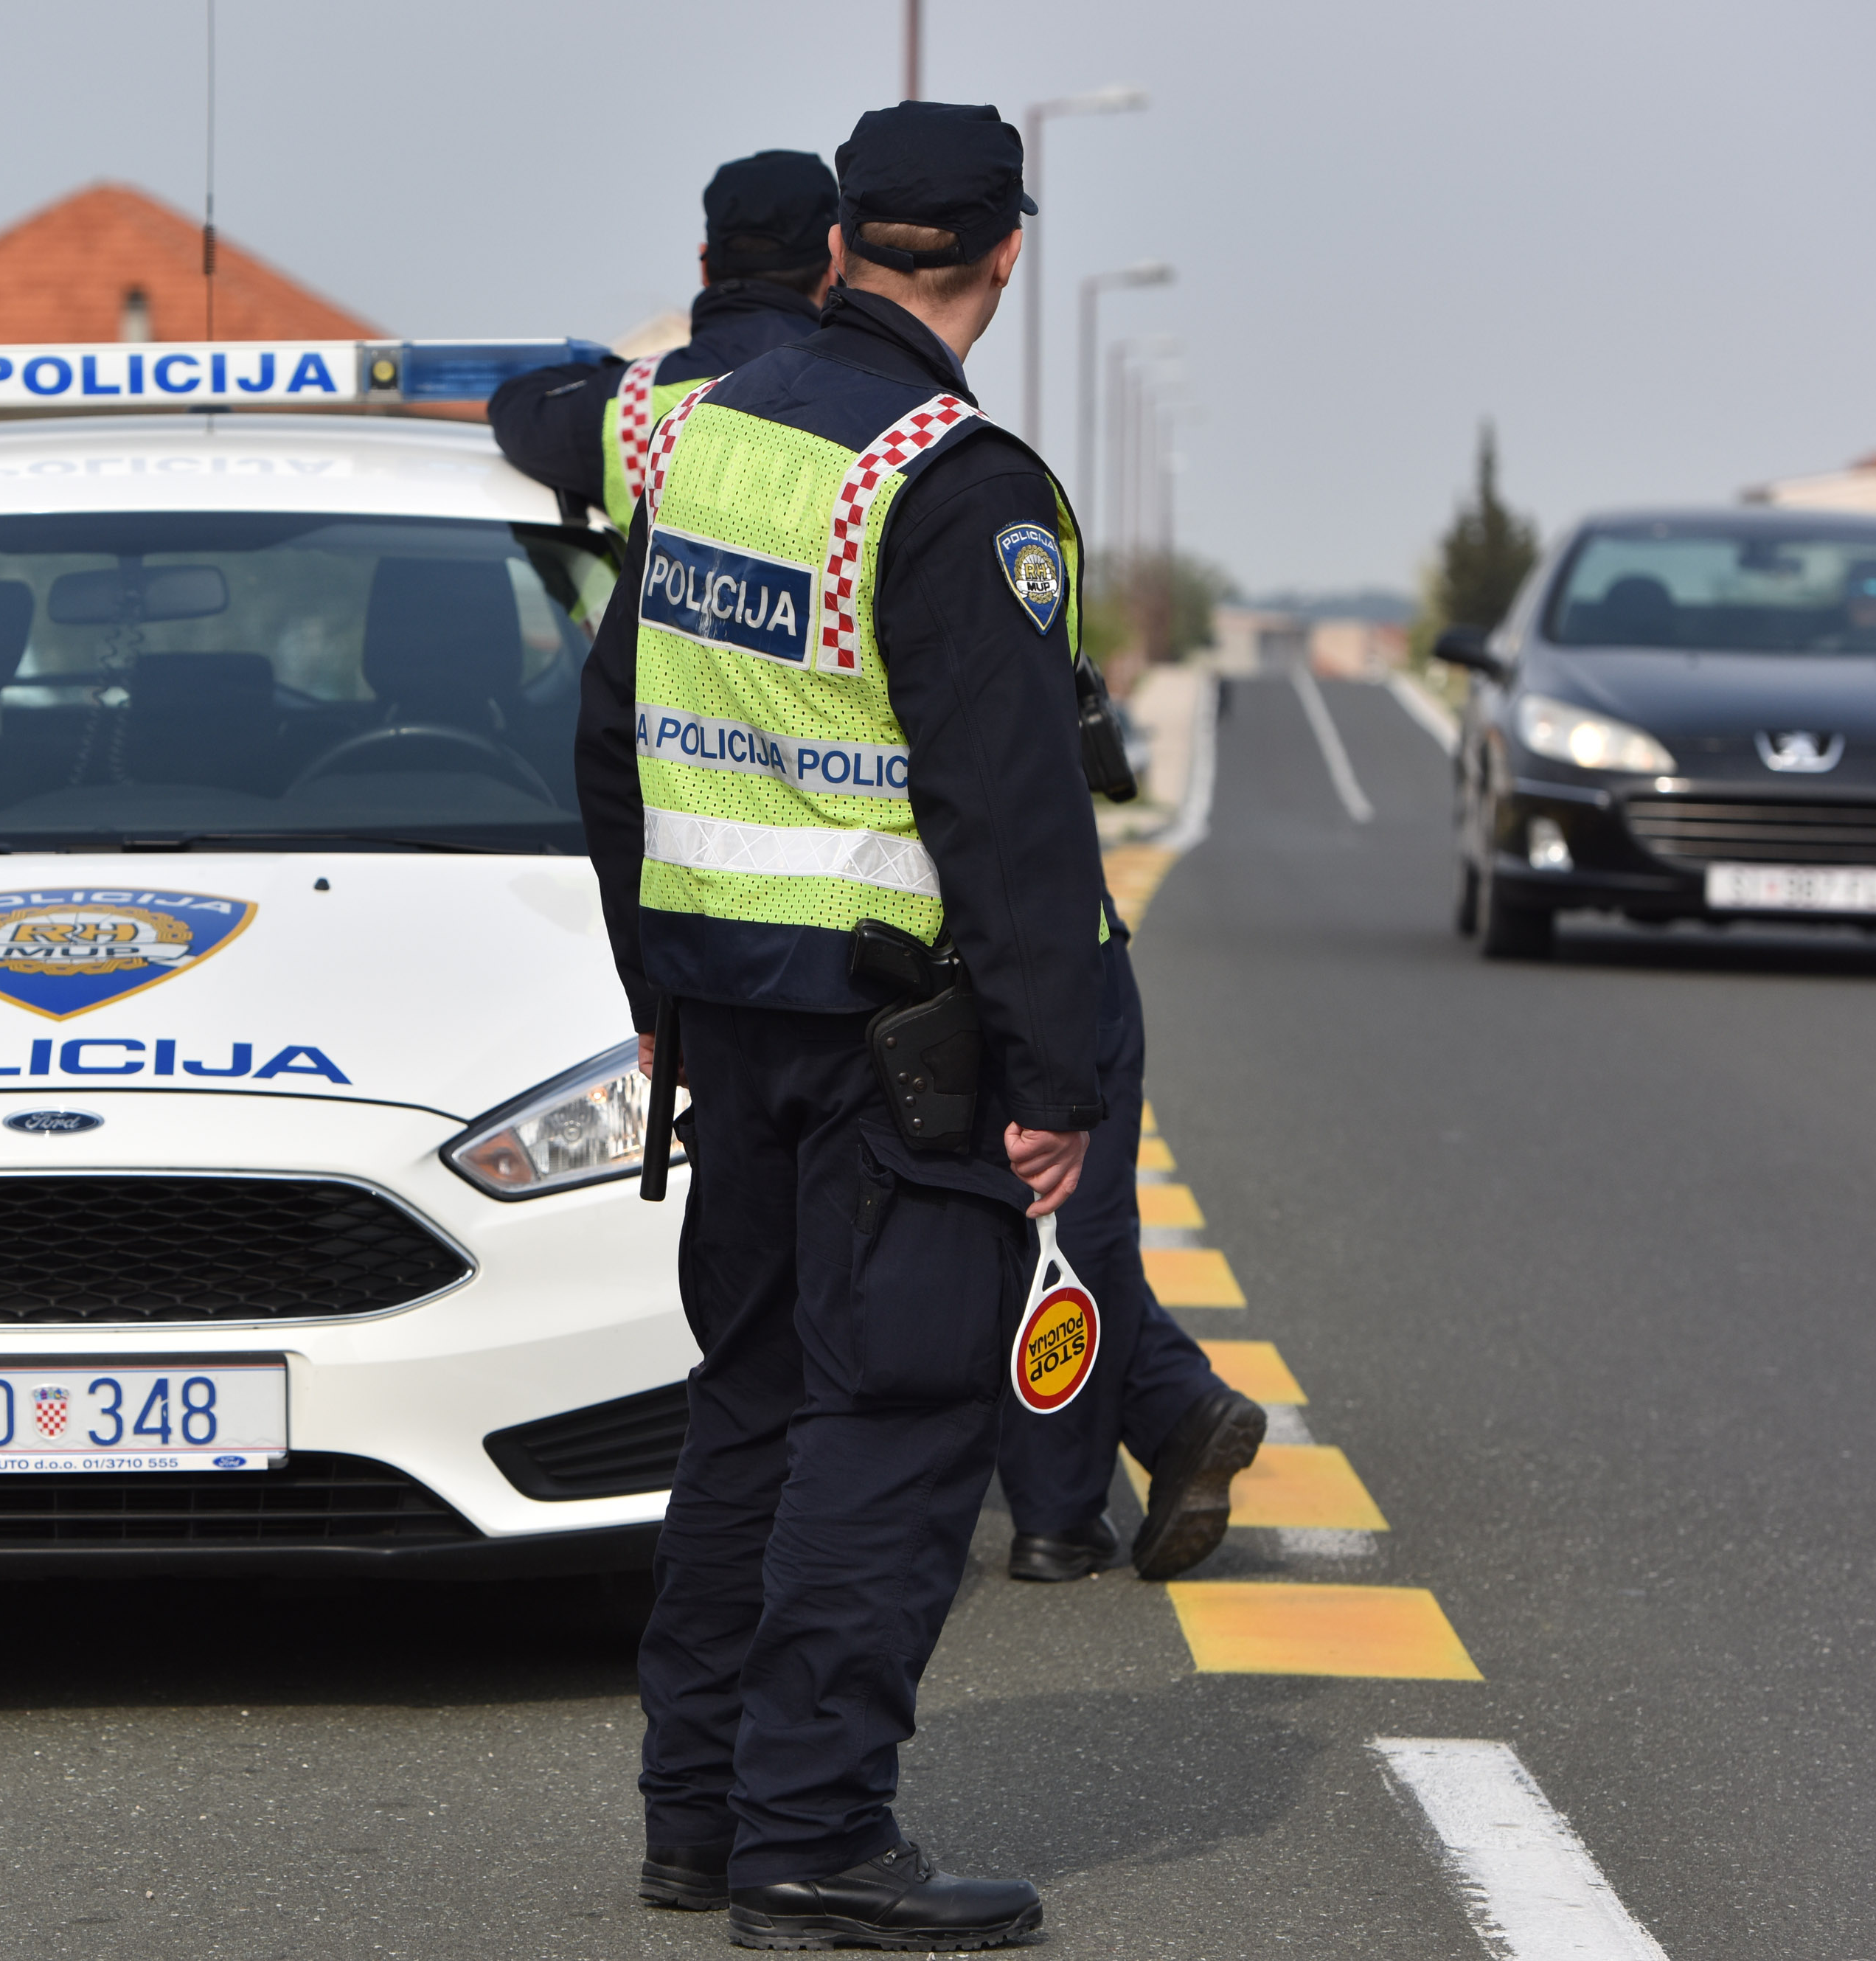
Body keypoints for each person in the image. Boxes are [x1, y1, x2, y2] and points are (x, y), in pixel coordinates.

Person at [577, 100, 1110, 1951]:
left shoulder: (708, 441)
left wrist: (655, 985)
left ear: (834, 246)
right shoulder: (957, 481)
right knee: (886, 1425)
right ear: (1004, 257)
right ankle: (812, 1830)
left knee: (749, 1408)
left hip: (730, 1017)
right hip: (902, 1044)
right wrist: (1064, 1082)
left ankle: (702, 1811)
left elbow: (610, 737)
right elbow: (1014, 820)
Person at [993, 920, 1267, 1583]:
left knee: (1012, 1214)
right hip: (1049, 942)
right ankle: (1143, 1426)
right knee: (1066, 1212)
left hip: (859, 950)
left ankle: (1167, 1408)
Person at [488, 149, 838, 527]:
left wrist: (613, 373)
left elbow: (516, 405)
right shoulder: (873, 403)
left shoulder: (628, 406)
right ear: (834, 271)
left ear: (705, 266)